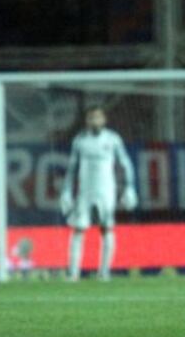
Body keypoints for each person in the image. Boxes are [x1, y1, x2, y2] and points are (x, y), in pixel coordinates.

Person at [59, 106, 137, 282]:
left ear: (104, 119)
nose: (95, 121)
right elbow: (72, 168)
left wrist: (129, 187)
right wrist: (66, 192)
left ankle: (104, 272)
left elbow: (125, 163)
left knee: (107, 228)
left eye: (98, 117)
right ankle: (73, 273)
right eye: (91, 118)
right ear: (87, 120)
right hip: (85, 190)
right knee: (78, 229)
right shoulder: (80, 140)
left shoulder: (113, 139)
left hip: (106, 190)